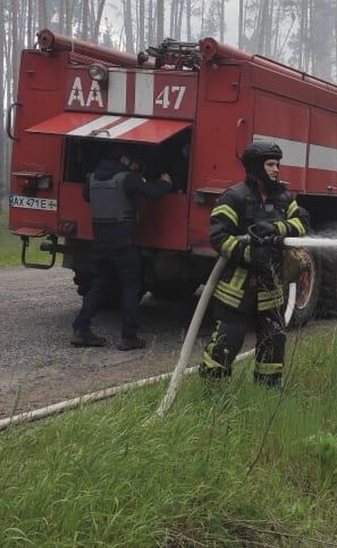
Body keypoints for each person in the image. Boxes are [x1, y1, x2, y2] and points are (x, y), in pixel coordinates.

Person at [198, 140, 310, 387]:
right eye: (270, 164)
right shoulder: (234, 197)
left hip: (270, 282)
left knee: (273, 340)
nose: (276, 169)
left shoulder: (282, 198)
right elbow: (219, 238)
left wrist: (277, 227)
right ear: (255, 167)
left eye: (277, 164)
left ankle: (268, 389)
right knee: (228, 339)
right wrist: (248, 253)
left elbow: (302, 223)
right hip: (238, 285)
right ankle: (212, 389)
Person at [70, 148, 172, 350]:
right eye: (134, 161)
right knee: (130, 286)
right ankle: (129, 336)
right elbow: (154, 193)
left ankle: (81, 328)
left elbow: (88, 197)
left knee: (100, 284)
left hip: (101, 242)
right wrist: (165, 182)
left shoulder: (92, 179)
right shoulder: (127, 179)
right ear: (124, 159)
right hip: (123, 243)